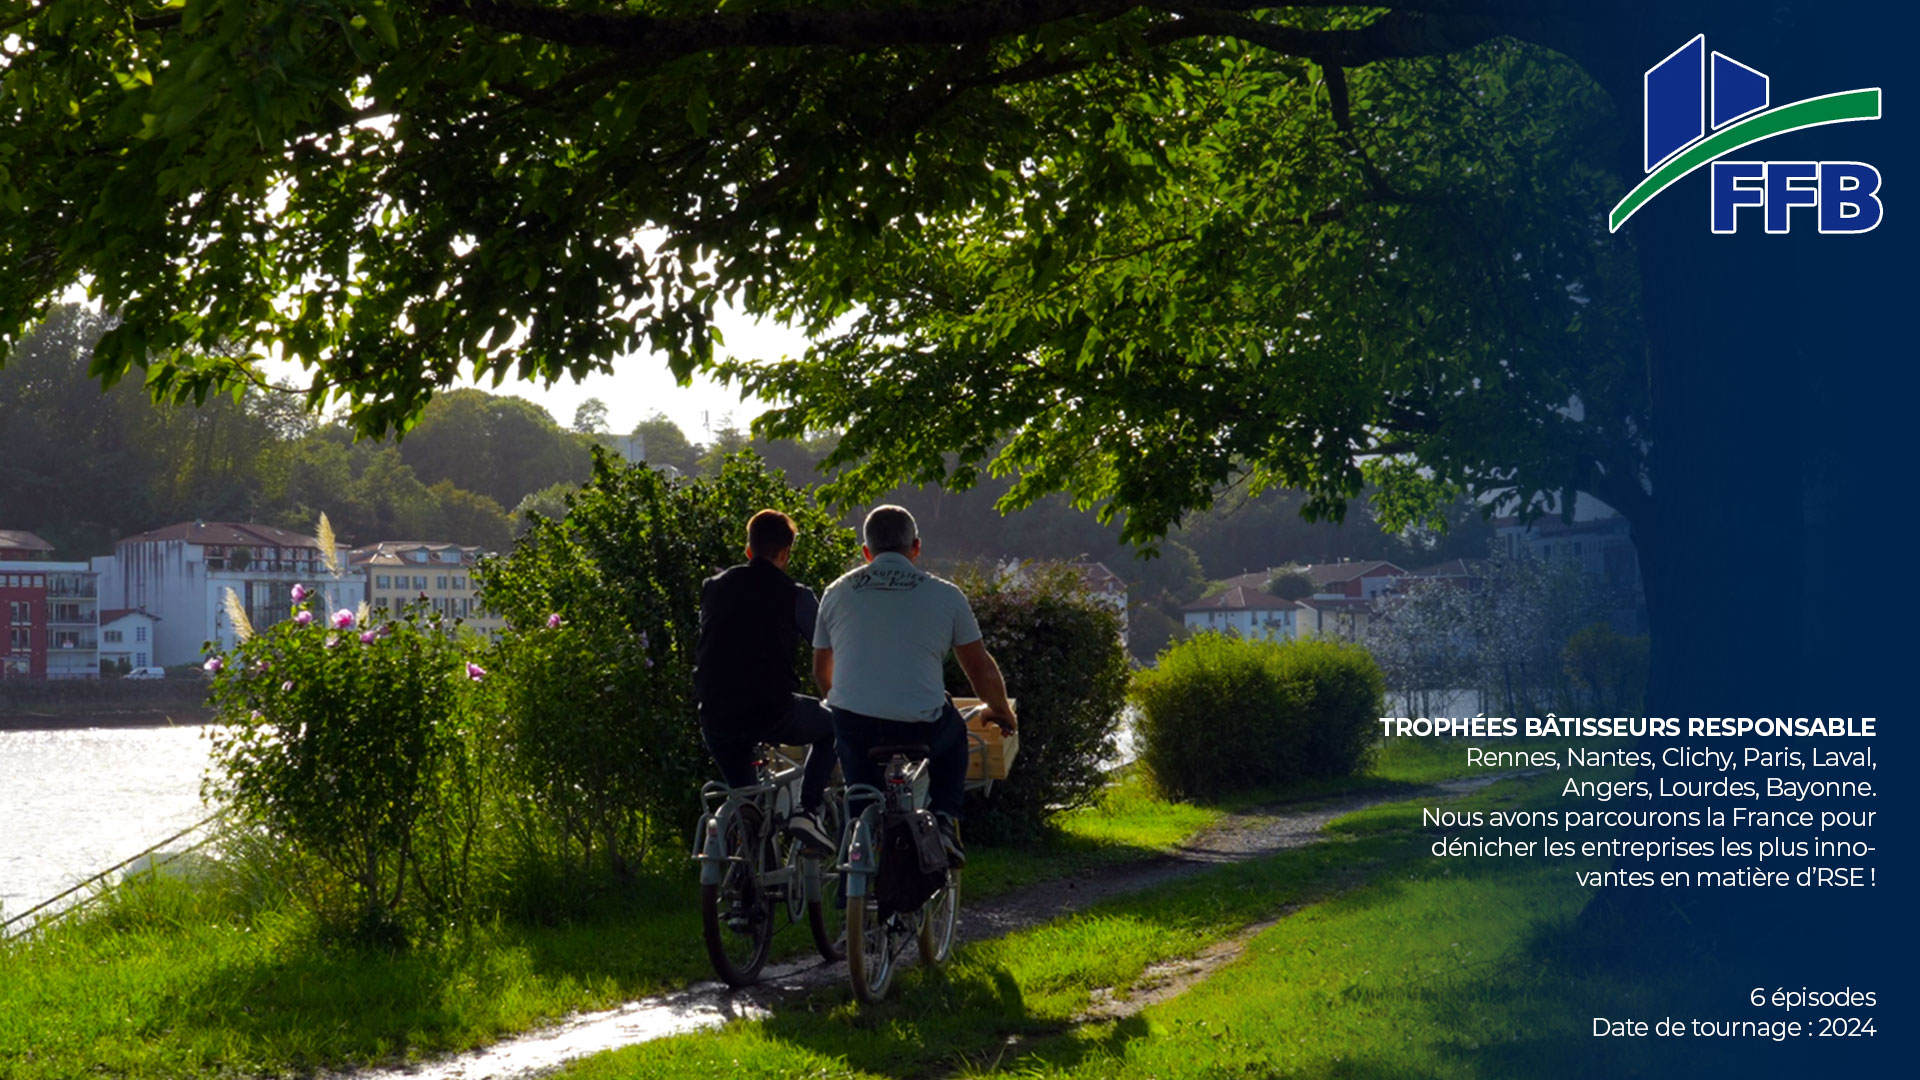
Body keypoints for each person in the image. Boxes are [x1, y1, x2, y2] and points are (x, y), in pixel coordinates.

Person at [811, 504, 1016, 867]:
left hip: (854, 725)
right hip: (920, 725)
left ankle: (850, 895)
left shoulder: (835, 592)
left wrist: (846, 703)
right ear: (916, 547)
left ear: (866, 551)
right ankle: (945, 821)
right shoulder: (946, 595)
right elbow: (980, 667)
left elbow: (821, 671)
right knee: (953, 730)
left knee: (859, 801)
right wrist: (998, 709)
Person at [693, 509, 837, 855]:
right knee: (834, 725)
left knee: (747, 799)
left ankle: (751, 889)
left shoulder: (712, 588)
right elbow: (826, 647)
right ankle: (807, 811)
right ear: (786, 553)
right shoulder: (796, 595)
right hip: (771, 710)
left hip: (715, 715)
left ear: (748, 550)